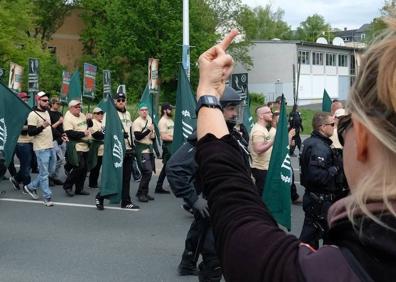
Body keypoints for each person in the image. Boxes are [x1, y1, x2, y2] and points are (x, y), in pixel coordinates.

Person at [195, 25, 396, 281]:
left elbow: (238, 218)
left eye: (345, 126)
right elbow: (258, 151)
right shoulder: (261, 130)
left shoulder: (334, 271)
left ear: (364, 137)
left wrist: (209, 93)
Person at [299, 112, 342, 248]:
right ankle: (303, 265)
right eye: (332, 124)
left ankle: (314, 264)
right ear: (322, 127)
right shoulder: (319, 147)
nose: (334, 127)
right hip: (319, 201)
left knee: (318, 236)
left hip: (315, 199)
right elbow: (317, 176)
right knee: (311, 239)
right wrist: (335, 169)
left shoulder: (310, 142)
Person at [96, 92, 140, 210]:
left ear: (126, 101)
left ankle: (126, 201)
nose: (121, 102)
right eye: (118, 100)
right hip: (117, 150)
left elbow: (130, 131)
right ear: (115, 101)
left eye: (123, 100)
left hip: (128, 149)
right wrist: (119, 135)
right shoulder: (110, 114)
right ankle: (100, 197)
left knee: (126, 178)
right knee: (114, 176)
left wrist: (132, 144)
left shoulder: (128, 114)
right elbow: (104, 131)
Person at [23, 91, 56, 207]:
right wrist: (42, 126)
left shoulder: (46, 112)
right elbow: (31, 132)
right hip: (41, 148)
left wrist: (61, 135)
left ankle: (30, 187)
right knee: (45, 173)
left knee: (48, 171)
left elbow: (50, 129)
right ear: (38, 101)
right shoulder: (32, 114)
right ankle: (47, 197)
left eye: (48, 100)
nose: (47, 102)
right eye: (44, 100)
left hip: (50, 145)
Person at [62, 100, 92, 197]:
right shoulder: (68, 118)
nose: (78, 108)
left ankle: (79, 188)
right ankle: (68, 186)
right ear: (70, 108)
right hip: (76, 146)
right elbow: (69, 133)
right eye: (76, 107)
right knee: (79, 166)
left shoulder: (82, 115)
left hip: (85, 145)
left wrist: (89, 120)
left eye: (79, 106)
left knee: (84, 169)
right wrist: (83, 134)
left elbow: (89, 125)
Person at [9, 92, 33, 191]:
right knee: (25, 165)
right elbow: (16, 126)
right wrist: (31, 127)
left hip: (30, 141)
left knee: (29, 165)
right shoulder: (15, 112)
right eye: (24, 99)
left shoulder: (28, 111)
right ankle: (27, 186)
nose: (26, 101)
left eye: (27, 99)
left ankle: (16, 178)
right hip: (20, 142)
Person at [133, 102, 156, 203]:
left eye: (146, 110)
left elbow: (152, 133)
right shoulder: (137, 122)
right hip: (142, 149)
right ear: (139, 112)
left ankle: (143, 192)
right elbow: (138, 136)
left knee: (148, 172)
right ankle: (141, 193)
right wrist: (148, 130)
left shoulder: (149, 119)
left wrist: (152, 134)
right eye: (142, 110)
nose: (144, 111)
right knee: (147, 171)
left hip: (149, 148)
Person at [248, 105, 273, 195]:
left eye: (271, 111)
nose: (271, 114)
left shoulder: (262, 128)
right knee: (262, 196)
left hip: (264, 168)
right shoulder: (258, 130)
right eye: (268, 112)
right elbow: (258, 149)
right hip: (260, 169)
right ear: (261, 116)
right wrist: (273, 141)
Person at [154, 103, 173, 194]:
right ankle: (158, 186)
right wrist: (175, 139)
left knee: (170, 166)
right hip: (168, 145)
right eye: (169, 109)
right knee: (167, 166)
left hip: (173, 145)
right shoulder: (162, 121)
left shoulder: (170, 120)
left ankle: (172, 184)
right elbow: (163, 137)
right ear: (165, 110)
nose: (171, 110)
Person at [48, 97, 67, 185]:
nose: (59, 105)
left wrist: (64, 134)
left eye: (59, 104)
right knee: (56, 159)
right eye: (57, 103)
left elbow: (61, 127)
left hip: (61, 139)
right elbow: (49, 128)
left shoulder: (59, 113)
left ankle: (54, 176)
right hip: (52, 139)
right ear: (52, 104)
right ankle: (50, 177)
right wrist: (59, 122)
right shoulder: (48, 113)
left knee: (61, 160)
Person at [88, 107, 104, 189]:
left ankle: (103, 183)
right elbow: (96, 135)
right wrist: (106, 134)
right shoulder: (93, 122)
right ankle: (92, 183)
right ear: (94, 114)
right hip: (96, 147)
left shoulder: (103, 122)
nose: (100, 115)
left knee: (104, 167)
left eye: (101, 113)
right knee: (95, 166)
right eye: (98, 113)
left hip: (104, 148)